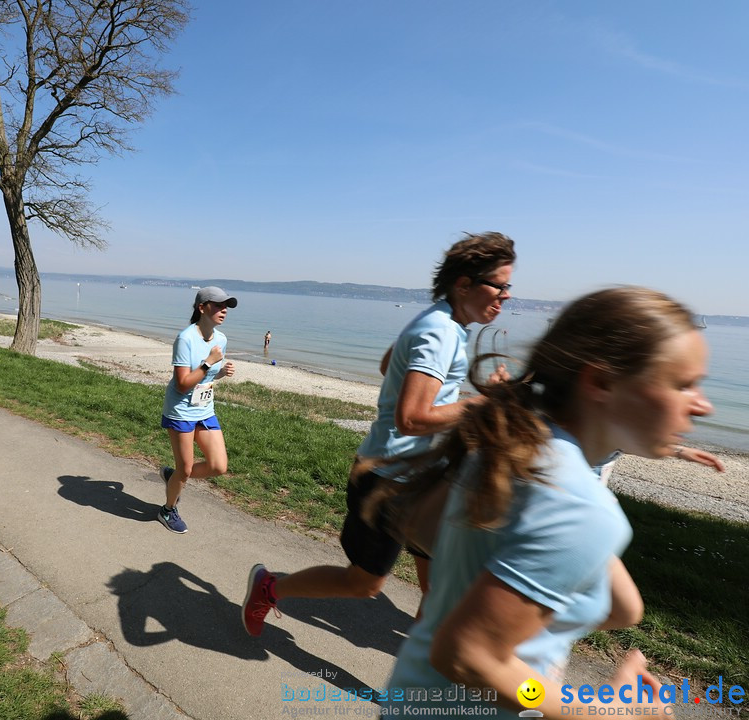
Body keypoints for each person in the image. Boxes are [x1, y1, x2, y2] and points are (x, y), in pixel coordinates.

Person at [382, 287, 710, 716]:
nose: (702, 406)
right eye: (683, 384)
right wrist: (603, 710)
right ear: (601, 382)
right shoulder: (577, 504)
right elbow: (469, 658)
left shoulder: (518, 445)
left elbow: (623, 608)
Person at [242, 232, 517, 636]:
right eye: (500, 285)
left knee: (439, 585)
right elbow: (411, 418)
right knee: (364, 584)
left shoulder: (442, 321)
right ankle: (269, 588)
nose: (507, 295)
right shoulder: (439, 332)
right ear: (464, 284)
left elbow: (389, 364)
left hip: (422, 477)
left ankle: (416, 678)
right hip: (389, 480)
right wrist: (483, 405)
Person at [157, 286, 238, 534]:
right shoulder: (185, 339)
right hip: (180, 412)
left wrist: (220, 373)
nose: (223, 310)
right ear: (201, 308)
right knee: (186, 469)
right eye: (218, 305)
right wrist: (209, 363)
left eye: (226, 306)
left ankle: (176, 477)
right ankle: (168, 510)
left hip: (204, 410)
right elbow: (182, 385)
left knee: (218, 465)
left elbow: (204, 378)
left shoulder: (220, 339)